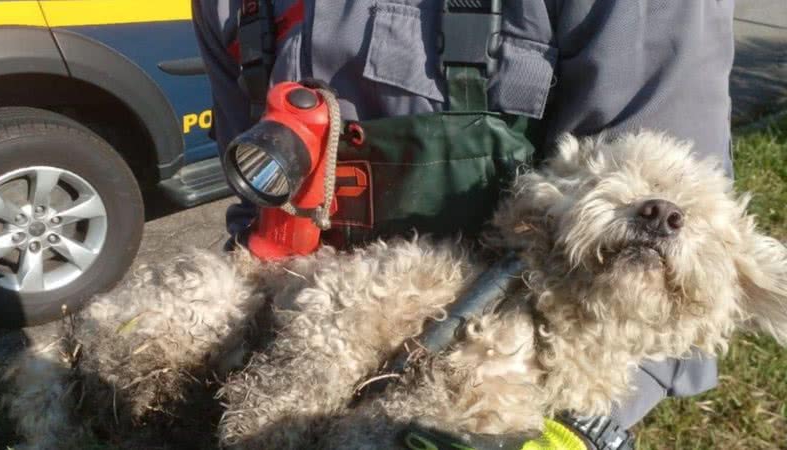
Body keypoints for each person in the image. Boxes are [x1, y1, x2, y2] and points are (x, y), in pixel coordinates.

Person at [192, 0, 735, 447]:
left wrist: (552, 434)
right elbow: (256, 204)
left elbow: (671, 263)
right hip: (288, 361)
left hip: (504, 387)